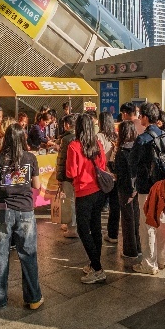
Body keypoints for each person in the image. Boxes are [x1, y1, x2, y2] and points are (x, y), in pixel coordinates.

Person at [0, 124, 43, 309]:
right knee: (28, 254)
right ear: (23, 138)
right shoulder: (30, 158)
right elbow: (36, 185)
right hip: (26, 210)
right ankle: (33, 299)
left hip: (4, 210)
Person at [66, 113, 110, 283]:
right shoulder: (97, 144)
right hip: (99, 191)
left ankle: (98, 269)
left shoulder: (74, 146)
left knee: (83, 230)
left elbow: (72, 172)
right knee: (96, 228)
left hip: (84, 192)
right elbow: (103, 166)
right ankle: (94, 264)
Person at [130, 103, 165, 274]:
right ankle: (163, 259)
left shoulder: (142, 139)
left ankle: (149, 263)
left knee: (147, 224)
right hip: (164, 186)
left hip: (146, 187)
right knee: (163, 222)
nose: (140, 119)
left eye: (141, 116)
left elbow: (132, 162)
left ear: (146, 118)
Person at [114, 120, 141, 268]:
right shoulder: (137, 148)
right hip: (138, 188)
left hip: (125, 189)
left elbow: (119, 173)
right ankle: (139, 246)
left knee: (127, 219)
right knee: (136, 217)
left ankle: (130, 250)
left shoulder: (121, 151)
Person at [98, 110, 120, 244]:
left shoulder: (98, 136)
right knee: (114, 206)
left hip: (102, 173)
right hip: (114, 174)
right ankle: (113, 234)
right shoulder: (116, 136)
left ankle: (96, 231)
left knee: (99, 205)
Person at [55, 114, 78, 238]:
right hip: (80, 175)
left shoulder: (67, 139)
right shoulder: (82, 136)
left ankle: (72, 227)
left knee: (70, 201)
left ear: (68, 125)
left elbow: (62, 160)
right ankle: (74, 224)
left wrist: (59, 177)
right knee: (76, 200)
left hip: (68, 175)